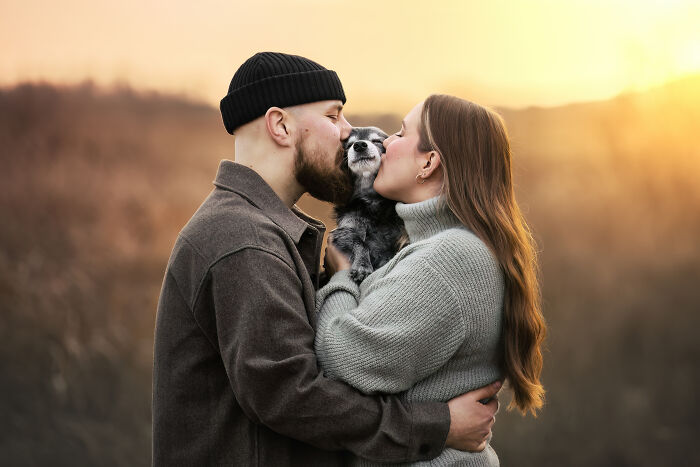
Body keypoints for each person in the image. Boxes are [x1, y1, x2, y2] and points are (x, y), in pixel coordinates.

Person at [152, 52, 502, 466]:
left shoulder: (265, 230)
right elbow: (293, 395)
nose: (349, 132)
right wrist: (436, 424)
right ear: (280, 125)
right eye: (334, 115)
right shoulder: (243, 240)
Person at [315, 94, 547, 466]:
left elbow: (342, 360)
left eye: (400, 134)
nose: (386, 144)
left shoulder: (448, 260)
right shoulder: (441, 249)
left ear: (429, 161)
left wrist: (341, 278)